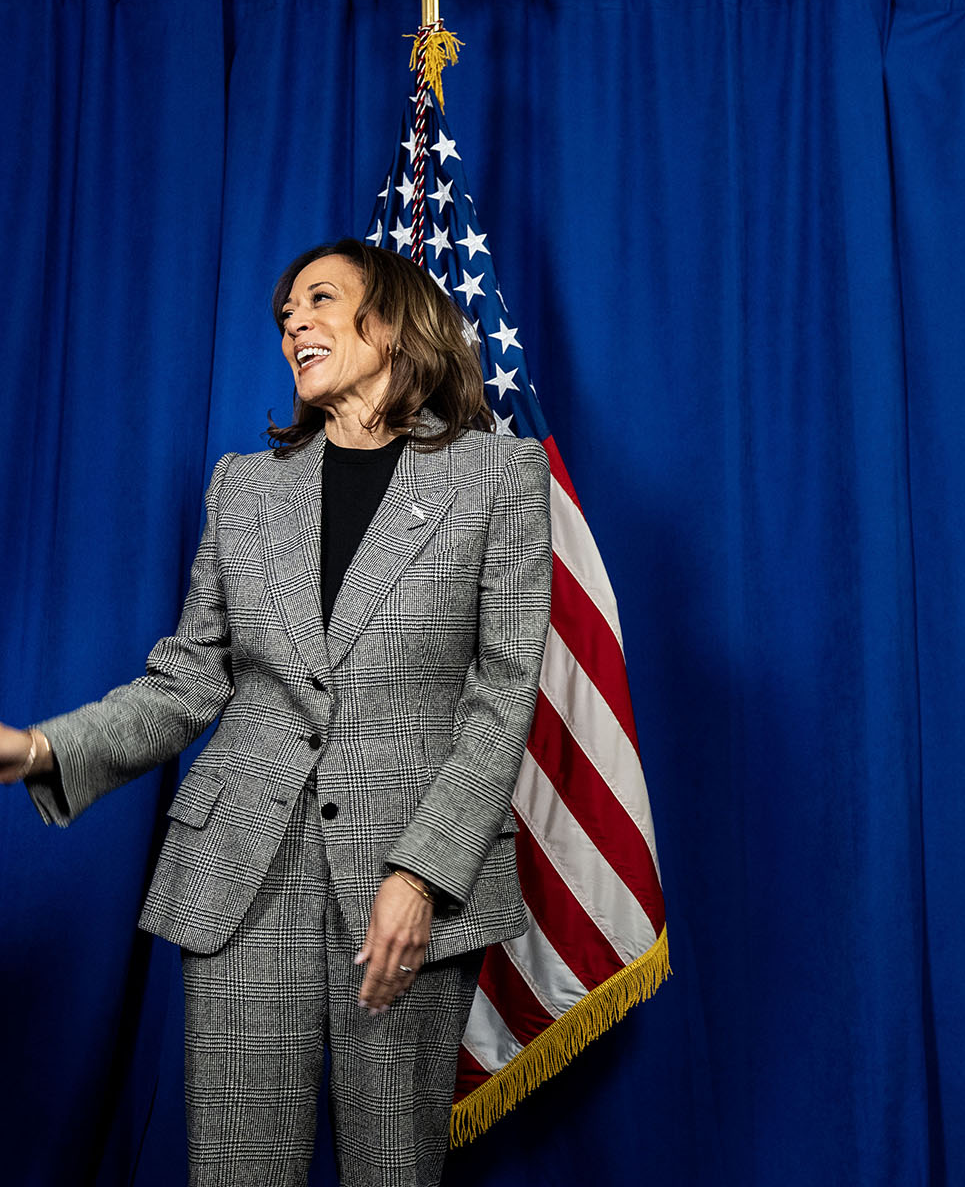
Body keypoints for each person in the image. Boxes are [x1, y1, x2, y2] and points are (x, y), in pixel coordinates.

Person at [1, 239, 552, 1186]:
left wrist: (422, 876)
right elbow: (186, 682)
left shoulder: (498, 479)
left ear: (393, 322)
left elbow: (502, 695)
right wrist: (43, 747)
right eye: (285, 313)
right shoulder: (243, 490)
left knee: (393, 1171)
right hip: (238, 877)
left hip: (404, 877)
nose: (294, 322)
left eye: (320, 301)